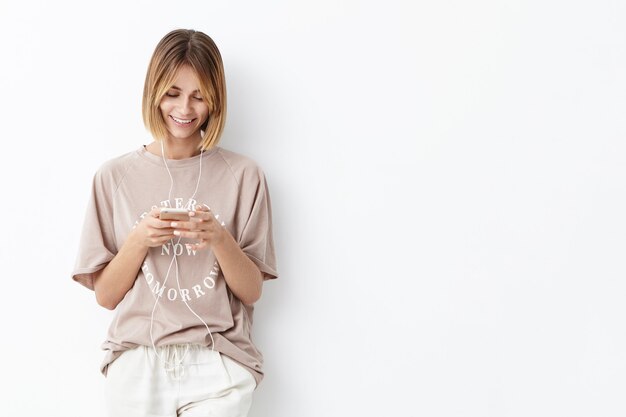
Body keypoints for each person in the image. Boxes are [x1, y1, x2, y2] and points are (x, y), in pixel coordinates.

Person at [71, 28, 278, 417]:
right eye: (173, 93)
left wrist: (219, 238)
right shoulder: (113, 177)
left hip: (218, 362)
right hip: (137, 362)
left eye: (200, 96)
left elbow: (252, 292)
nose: (185, 109)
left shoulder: (245, 175)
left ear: (215, 99)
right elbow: (106, 296)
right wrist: (138, 240)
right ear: (154, 92)